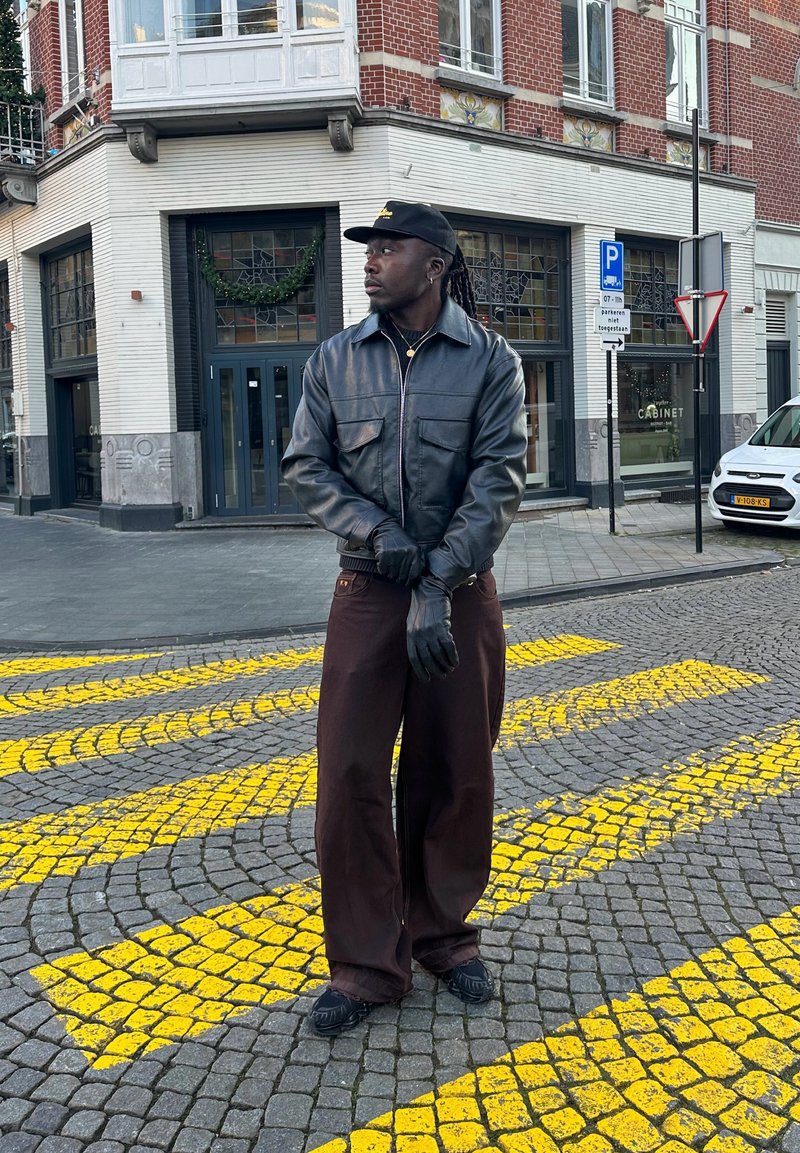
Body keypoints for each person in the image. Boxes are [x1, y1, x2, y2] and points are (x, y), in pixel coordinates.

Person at [281, 200, 527, 1036]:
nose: (372, 259)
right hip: (367, 590)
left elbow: (498, 478)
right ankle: (364, 963)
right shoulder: (335, 361)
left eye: (391, 246)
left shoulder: (492, 359)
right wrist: (381, 538)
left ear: (436, 263)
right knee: (349, 770)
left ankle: (446, 937)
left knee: (457, 767)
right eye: (369, 247)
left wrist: (438, 581)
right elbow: (306, 466)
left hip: (461, 589)